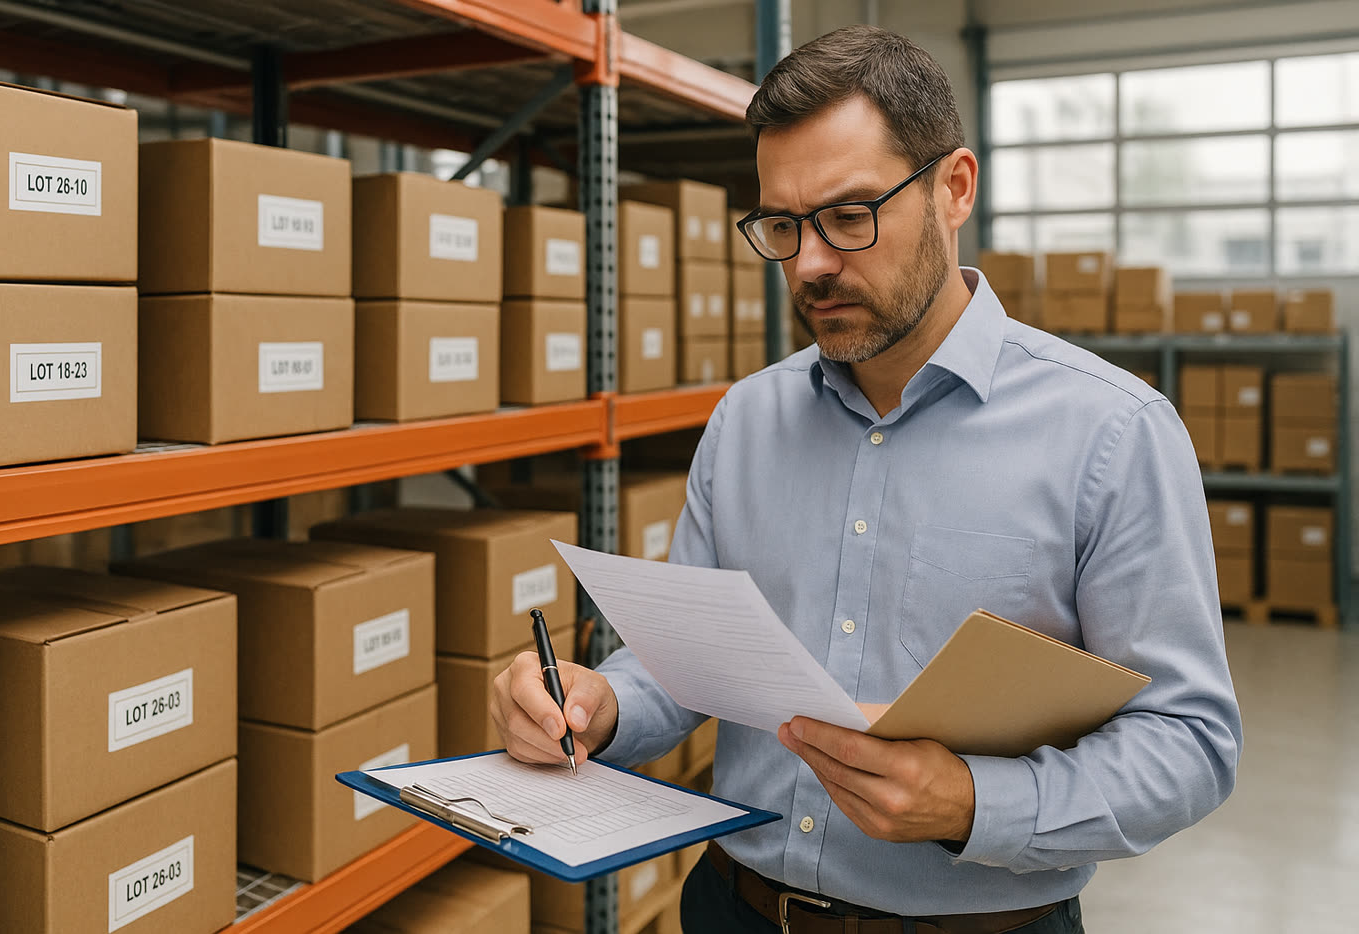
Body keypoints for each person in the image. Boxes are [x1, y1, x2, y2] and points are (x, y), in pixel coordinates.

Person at [492, 24, 1241, 934]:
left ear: (953, 188)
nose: (810, 263)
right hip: (733, 908)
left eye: (850, 216)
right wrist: (601, 705)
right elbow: (689, 662)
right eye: (782, 226)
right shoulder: (746, 422)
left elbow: (1189, 743)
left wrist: (975, 801)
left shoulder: (1112, 435)